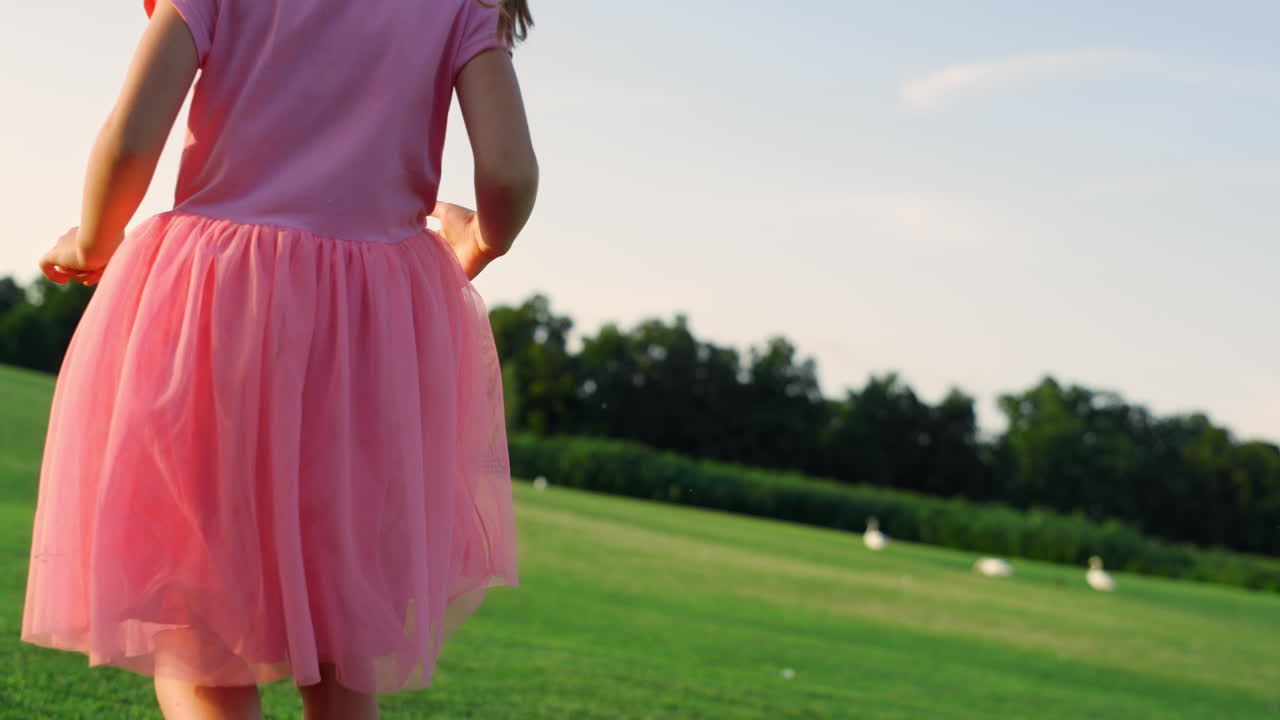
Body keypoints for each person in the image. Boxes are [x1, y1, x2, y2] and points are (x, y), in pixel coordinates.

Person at [21, 0, 538, 717]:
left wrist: (92, 242)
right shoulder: (457, 8)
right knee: (340, 629)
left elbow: (133, 135)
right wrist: (475, 237)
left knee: (199, 619)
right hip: (369, 335)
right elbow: (509, 180)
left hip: (221, 310)